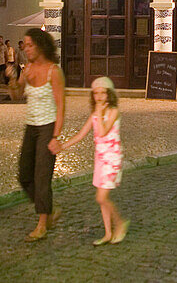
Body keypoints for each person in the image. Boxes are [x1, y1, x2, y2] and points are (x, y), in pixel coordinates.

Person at [55, 77, 129, 245]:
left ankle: (120, 223)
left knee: (101, 197)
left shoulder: (113, 111)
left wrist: (100, 113)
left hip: (112, 158)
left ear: (109, 94)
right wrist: (62, 146)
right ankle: (108, 233)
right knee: (102, 199)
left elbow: (102, 133)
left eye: (103, 93)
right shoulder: (95, 113)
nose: (99, 97)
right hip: (100, 159)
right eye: (96, 93)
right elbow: (81, 134)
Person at [8, 27, 65, 241]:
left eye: (30, 44)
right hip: (31, 127)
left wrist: (55, 136)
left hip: (47, 127)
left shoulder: (54, 71)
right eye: (25, 44)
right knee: (24, 175)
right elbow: (17, 95)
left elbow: (61, 106)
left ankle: (42, 223)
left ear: (40, 46)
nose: (26, 48)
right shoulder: (28, 69)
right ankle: (48, 210)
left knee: (42, 177)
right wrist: (13, 80)